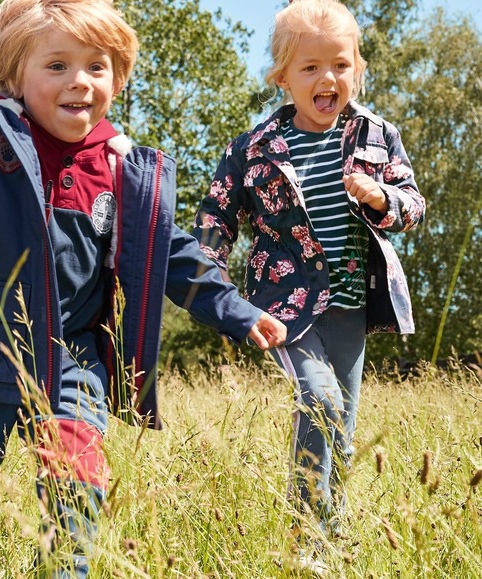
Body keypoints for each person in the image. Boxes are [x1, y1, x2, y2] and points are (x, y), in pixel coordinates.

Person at [0, 0, 287, 576]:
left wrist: (235, 310)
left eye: (96, 67)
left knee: (79, 489)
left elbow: (174, 253)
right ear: (13, 76)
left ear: (117, 79)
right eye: (56, 66)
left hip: (73, 360)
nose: (79, 81)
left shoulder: (124, 171)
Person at [193, 0, 424, 572]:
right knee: (317, 400)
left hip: (350, 305)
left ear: (358, 70)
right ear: (283, 78)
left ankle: (334, 534)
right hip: (284, 305)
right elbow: (217, 219)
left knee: (342, 428)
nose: (328, 79)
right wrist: (211, 288)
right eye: (311, 68)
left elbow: (414, 205)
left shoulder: (377, 134)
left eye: (340, 66)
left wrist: (382, 198)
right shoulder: (255, 147)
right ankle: (307, 544)